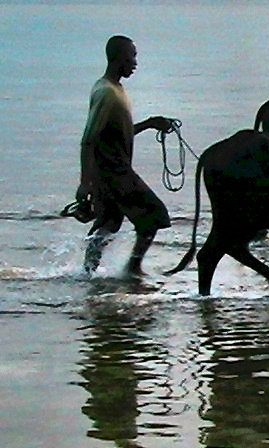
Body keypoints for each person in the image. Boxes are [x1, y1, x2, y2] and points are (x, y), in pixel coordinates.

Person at [77, 35, 174, 276]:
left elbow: (119, 131)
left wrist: (151, 124)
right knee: (155, 215)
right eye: (132, 56)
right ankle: (133, 267)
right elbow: (88, 139)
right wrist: (85, 182)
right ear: (118, 57)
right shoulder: (107, 93)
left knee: (109, 223)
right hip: (114, 172)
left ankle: (87, 272)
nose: (135, 62)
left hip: (111, 171)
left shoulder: (113, 89)